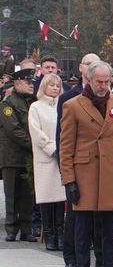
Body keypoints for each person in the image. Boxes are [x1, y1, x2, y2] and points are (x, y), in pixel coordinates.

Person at [59, 61, 113, 267]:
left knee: (110, 231)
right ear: (89, 80)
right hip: (85, 175)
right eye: (98, 81)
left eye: (107, 81)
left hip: (112, 173)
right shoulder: (73, 105)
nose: (103, 86)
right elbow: (66, 147)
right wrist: (69, 180)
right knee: (82, 231)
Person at [56, 53, 100, 267]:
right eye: (87, 63)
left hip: (101, 167)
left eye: (96, 63)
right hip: (77, 166)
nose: (91, 66)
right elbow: (61, 136)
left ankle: (101, 260)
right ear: (81, 68)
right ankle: (71, 258)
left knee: (102, 216)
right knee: (74, 215)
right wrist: (66, 171)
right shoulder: (69, 98)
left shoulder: (111, 97)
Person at [28, 73, 66, 251]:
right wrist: (52, 148)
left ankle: (60, 233)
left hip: (61, 157)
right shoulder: (36, 107)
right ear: (44, 86)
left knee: (60, 199)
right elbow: (36, 133)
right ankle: (49, 234)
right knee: (46, 198)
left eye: (57, 85)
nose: (55, 88)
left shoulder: (63, 106)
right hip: (46, 157)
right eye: (51, 85)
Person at [0, 68, 38, 242]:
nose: (31, 85)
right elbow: (13, 129)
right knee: (12, 194)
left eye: (32, 82)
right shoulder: (8, 103)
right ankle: (11, 228)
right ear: (16, 83)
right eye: (27, 82)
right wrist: (33, 145)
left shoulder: (33, 102)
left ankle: (26, 228)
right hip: (12, 157)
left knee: (27, 195)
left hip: (29, 157)